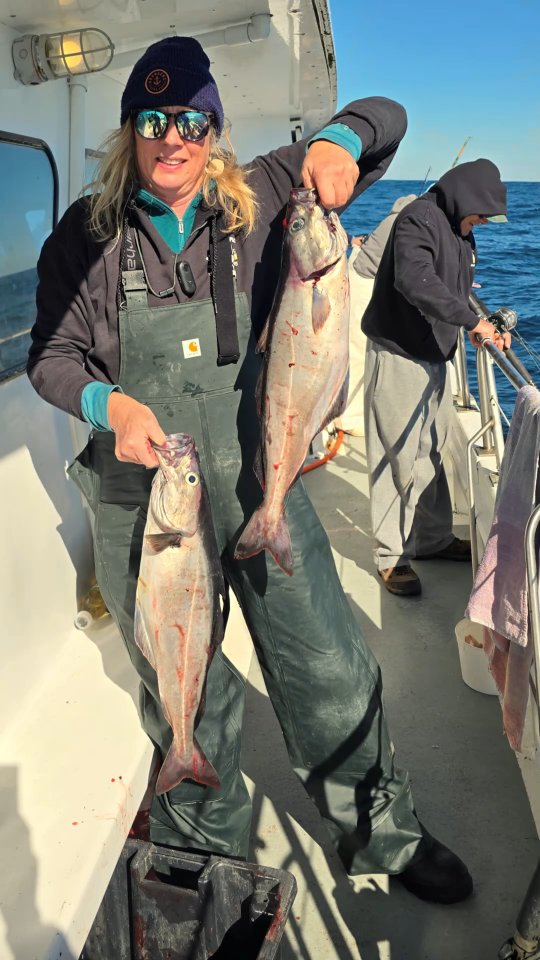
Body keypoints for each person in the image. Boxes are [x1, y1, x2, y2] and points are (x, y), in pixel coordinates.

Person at [27, 36, 473, 903]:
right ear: (130, 131)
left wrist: (342, 139)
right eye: (153, 120)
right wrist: (104, 407)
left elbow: (388, 121)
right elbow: (52, 355)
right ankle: (208, 856)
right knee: (185, 687)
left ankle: (383, 833)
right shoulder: (83, 239)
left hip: (256, 473)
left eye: (191, 120)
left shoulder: (269, 196)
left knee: (329, 662)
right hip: (143, 490)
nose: (173, 138)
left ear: (214, 131)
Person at [362, 159, 510, 597]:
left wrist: (467, 307)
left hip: (436, 353)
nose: (483, 222)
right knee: (396, 456)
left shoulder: (458, 228)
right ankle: (391, 558)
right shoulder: (418, 218)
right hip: (400, 353)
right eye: (482, 214)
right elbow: (414, 279)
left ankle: (431, 538)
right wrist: (472, 322)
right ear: (466, 197)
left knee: (432, 450)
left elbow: (449, 278)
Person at [336, 195, 416, 436]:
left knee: (356, 351)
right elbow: (410, 266)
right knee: (359, 351)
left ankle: (347, 410)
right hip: (364, 284)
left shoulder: (393, 219)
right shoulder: (406, 223)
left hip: (361, 278)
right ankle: (348, 419)